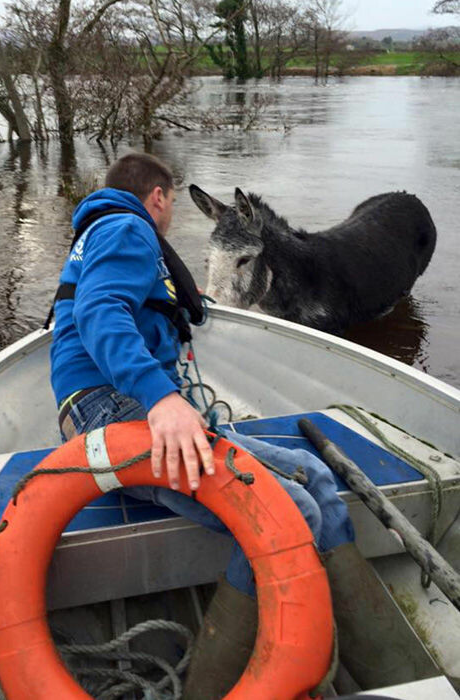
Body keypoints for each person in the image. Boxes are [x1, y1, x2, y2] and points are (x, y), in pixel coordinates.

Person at [49, 153, 358, 699]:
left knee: (315, 475)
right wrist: (162, 398)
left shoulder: (101, 232)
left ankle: (356, 645)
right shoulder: (126, 226)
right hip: (114, 409)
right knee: (292, 506)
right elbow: (99, 311)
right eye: (169, 204)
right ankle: (219, 682)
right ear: (160, 197)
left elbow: (144, 310)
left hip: (120, 405)